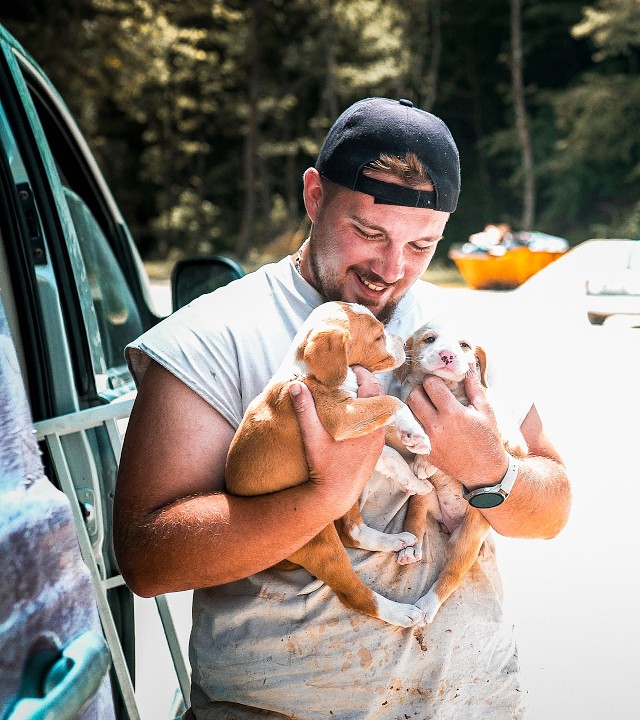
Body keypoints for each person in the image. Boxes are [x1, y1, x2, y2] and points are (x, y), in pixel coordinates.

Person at [114, 97, 571, 719]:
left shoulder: (460, 336)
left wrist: (491, 469)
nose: (392, 269)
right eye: (370, 233)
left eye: (422, 244)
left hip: (474, 702)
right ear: (314, 196)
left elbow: (552, 511)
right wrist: (324, 496)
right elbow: (147, 559)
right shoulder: (211, 337)